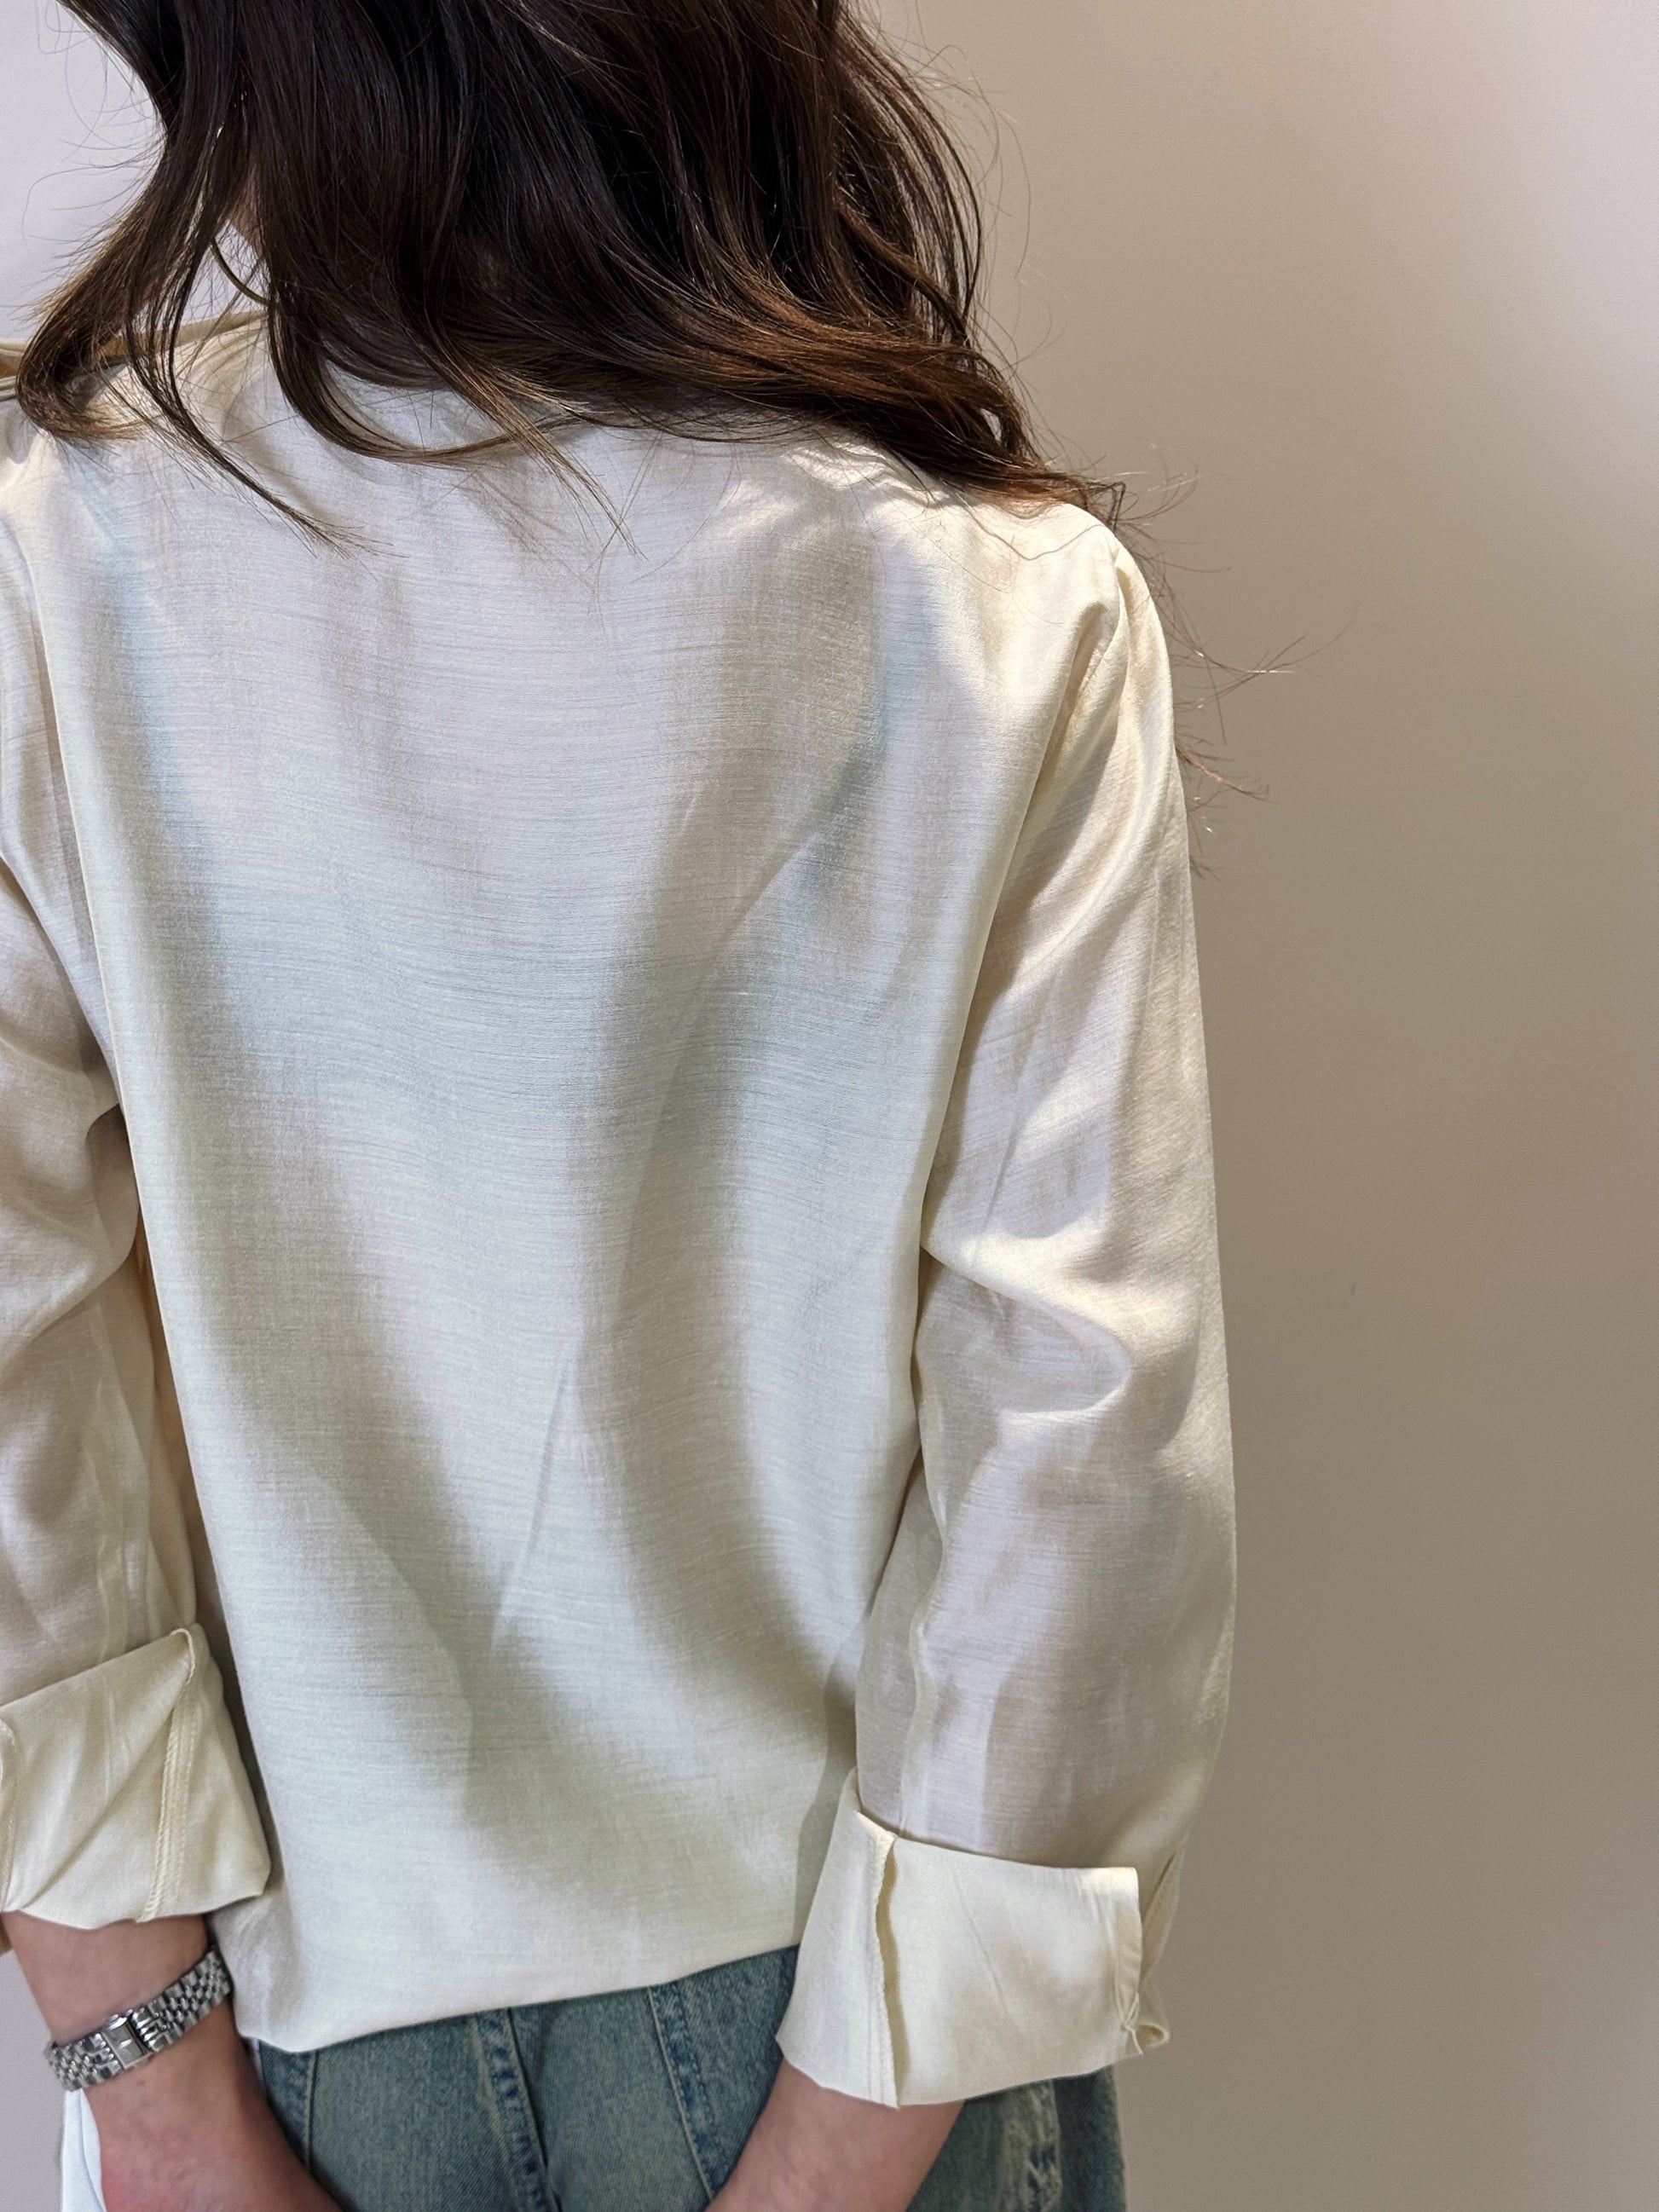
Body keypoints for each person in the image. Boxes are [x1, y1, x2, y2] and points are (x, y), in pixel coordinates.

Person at [0, 3, 1237, 2207]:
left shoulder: (52, 552)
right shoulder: (990, 603)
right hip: (852, 2020)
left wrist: (151, 2084)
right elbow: (1082, 1440)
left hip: (276, 2007)